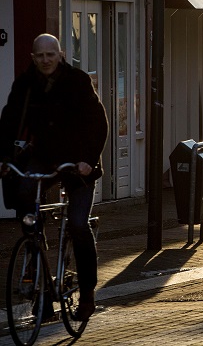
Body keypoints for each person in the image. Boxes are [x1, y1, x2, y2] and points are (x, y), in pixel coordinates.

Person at [0, 33, 108, 321]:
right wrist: (5, 159)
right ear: (33, 57)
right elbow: (9, 120)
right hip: (44, 157)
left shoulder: (78, 80)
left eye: (51, 54)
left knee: (77, 224)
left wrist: (87, 159)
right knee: (25, 195)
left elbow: (98, 121)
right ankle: (41, 285)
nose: (45, 60)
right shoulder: (26, 84)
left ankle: (87, 293)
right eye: (40, 55)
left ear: (60, 54)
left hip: (79, 162)